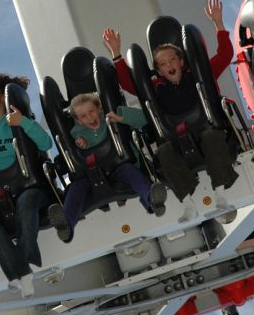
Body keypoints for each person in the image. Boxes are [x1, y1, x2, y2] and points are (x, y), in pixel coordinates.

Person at [103, 0, 238, 220]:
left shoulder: (197, 74)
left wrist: (218, 24)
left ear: (181, 62)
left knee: (211, 136)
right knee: (163, 151)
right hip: (175, 137)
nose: (169, 65)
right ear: (157, 71)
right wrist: (117, 54)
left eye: (172, 60)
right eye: (163, 64)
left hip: (205, 129)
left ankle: (221, 195)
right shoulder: (156, 86)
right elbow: (129, 83)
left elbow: (224, 55)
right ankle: (188, 204)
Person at [0, 73, 53, 297]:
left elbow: (46, 143)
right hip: (0, 195)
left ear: (3, 95)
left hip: (31, 189)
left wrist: (23, 123)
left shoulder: (20, 119)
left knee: (26, 202)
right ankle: (23, 272)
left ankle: (22, 266)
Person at [47, 93, 167, 242]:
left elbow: (144, 119)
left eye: (91, 111)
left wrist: (122, 118)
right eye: (83, 116)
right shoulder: (76, 135)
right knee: (76, 187)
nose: (90, 117)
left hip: (118, 167)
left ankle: (152, 200)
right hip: (90, 176)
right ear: (78, 121)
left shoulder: (112, 118)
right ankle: (66, 225)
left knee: (131, 172)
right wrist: (79, 144)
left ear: (99, 108)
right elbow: (73, 155)